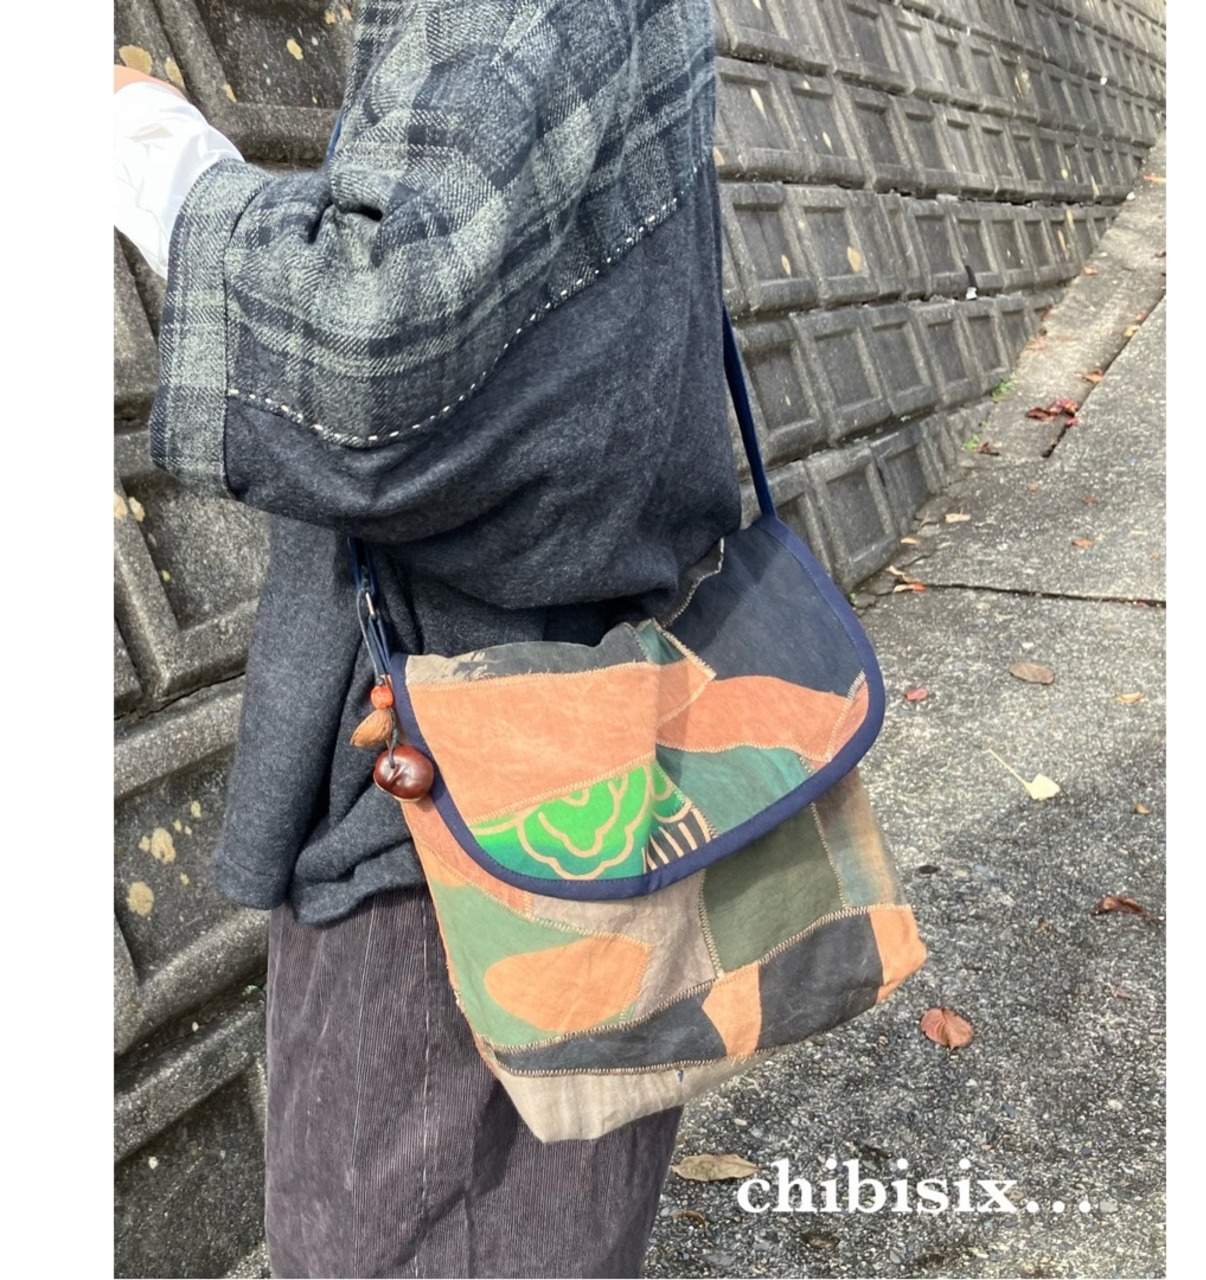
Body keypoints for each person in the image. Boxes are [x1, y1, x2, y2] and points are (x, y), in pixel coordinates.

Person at [114, 2, 742, 1275]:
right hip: (614, 728)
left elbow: (366, 352)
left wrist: (142, 141)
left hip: (454, 791)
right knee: (558, 1195)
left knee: (394, 1223)